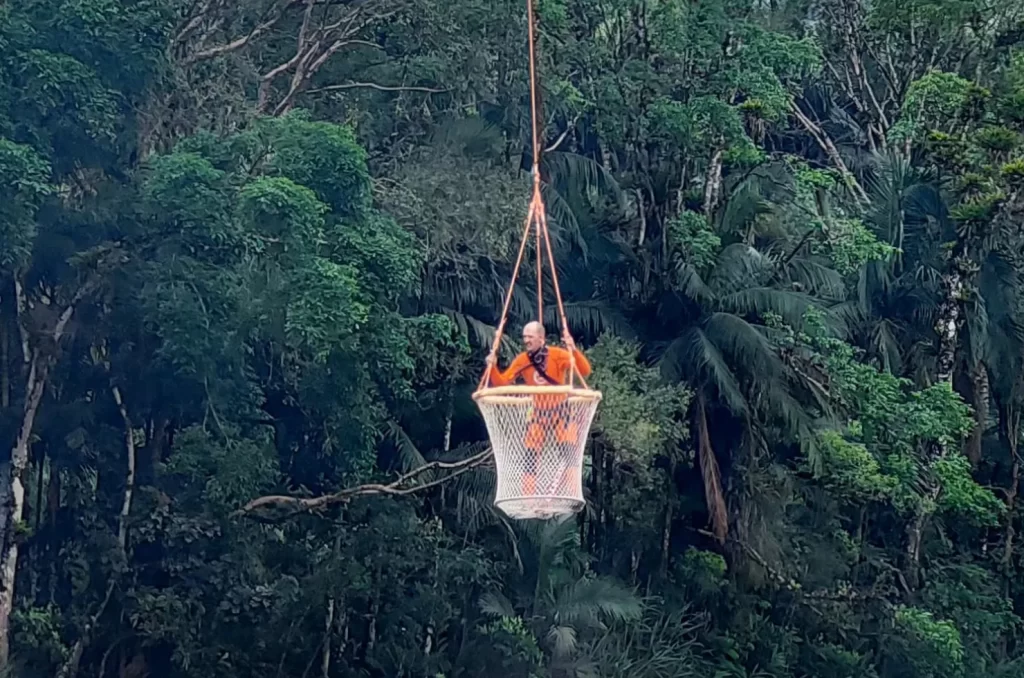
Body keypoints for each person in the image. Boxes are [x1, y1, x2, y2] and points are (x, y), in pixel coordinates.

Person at [484, 321, 591, 497]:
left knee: (568, 452)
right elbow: (502, 382)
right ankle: (529, 495)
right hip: (538, 414)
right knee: (530, 456)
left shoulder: (557, 355)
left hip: (561, 412)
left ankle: (570, 491)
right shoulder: (523, 360)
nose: (526, 340)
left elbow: (584, 371)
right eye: (524, 336)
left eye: (530, 337)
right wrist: (492, 367)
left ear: (541, 338)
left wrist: (574, 350)